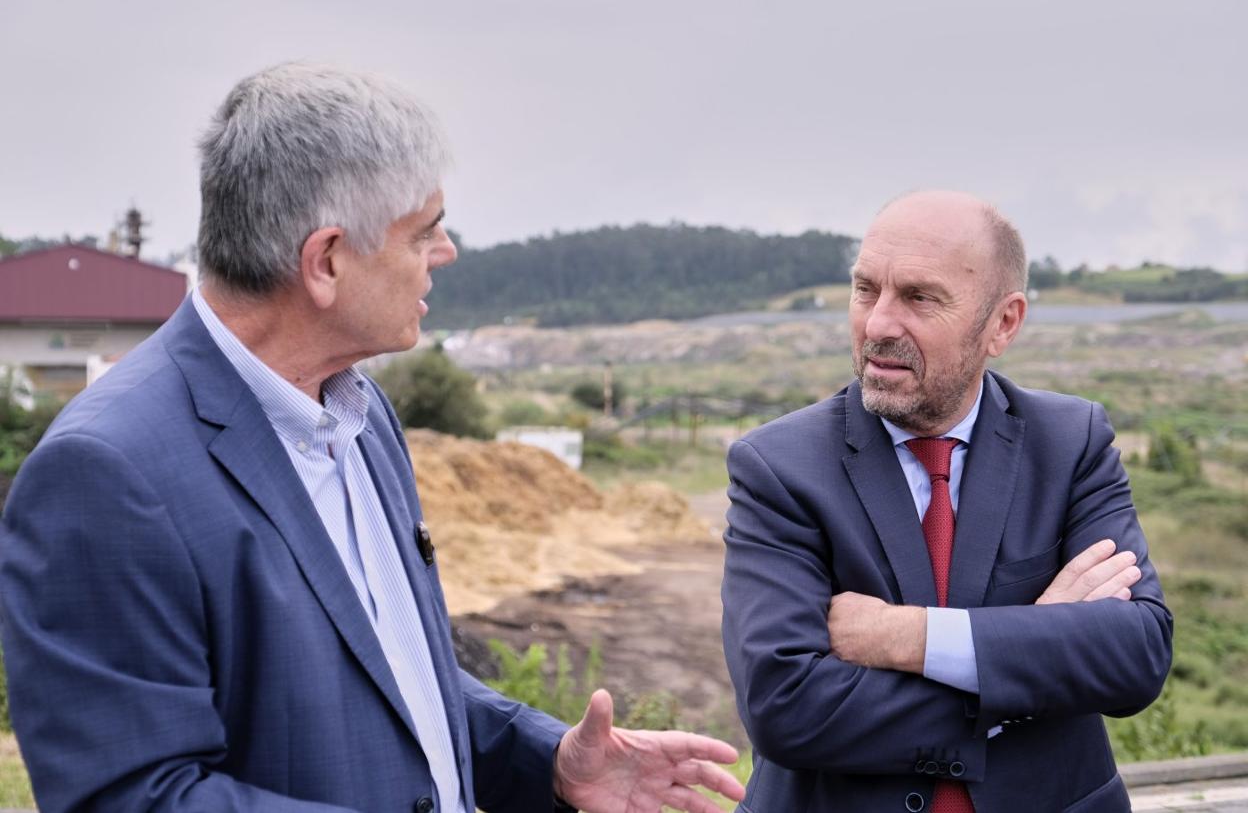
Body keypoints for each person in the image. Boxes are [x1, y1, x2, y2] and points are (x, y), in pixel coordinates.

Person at [0, 63, 745, 813]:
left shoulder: (360, 414)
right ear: (325, 261)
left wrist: (546, 759)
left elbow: (383, 673)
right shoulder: (108, 473)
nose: (446, 251)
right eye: (424, 231)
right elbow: (131, 797)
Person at [720, 190, 1172, 812]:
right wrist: (1035, 646)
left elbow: (1136, 653)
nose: (878, 323)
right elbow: (787, 708)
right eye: (865, 290)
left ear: (1003, 324)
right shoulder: (778, 467)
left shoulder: (1070, 442)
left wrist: (908, 638)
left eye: (919, 297)